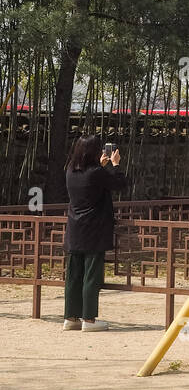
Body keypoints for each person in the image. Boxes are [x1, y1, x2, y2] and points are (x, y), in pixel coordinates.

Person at [63, 136, 129, 332]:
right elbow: (119, 184)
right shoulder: (96, 173)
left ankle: (71, 317)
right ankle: (89, 320)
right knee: (91, 275)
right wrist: (116, 165)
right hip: (94, 229)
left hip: (75, 228)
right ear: (93, 152)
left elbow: (92, 181)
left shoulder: (70, 172)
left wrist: (101, 166)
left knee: (74, 275)